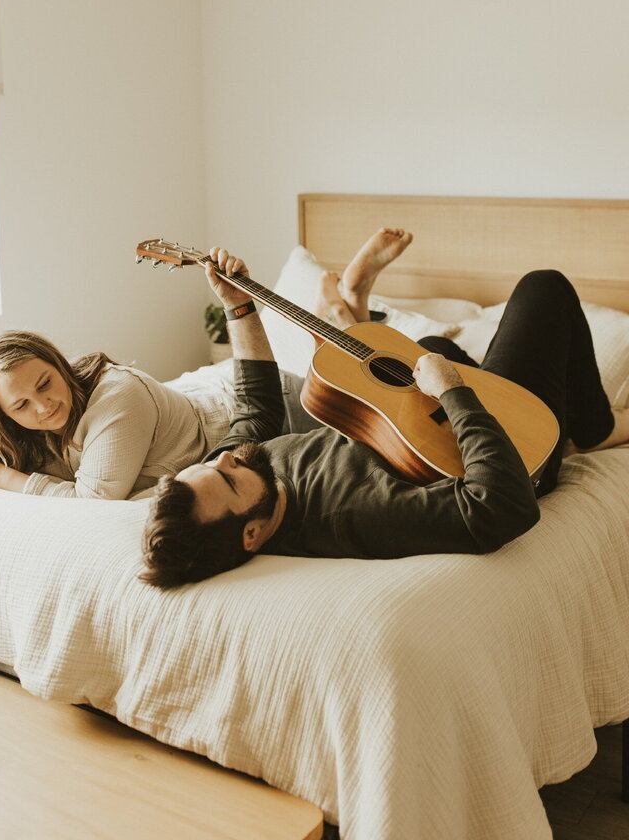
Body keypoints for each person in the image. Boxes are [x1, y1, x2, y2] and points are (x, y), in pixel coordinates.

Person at [140, 244, 629, 588]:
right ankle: (592, 429)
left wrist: (239, 307)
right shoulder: (354, 512)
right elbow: (503, 505)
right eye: (227, 480)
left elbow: (255, 409)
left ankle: (353, 315)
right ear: (251, 535)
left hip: (411, 431)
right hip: (511, 449)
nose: (229, 460)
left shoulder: (237, 479)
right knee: (544, 288)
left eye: (210, 463)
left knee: (432, 347)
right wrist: (454, 394)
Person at [0, 232, 414, 497]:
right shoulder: (17, 414)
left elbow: (94, 501)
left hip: (266, 409)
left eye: (46, 383)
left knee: (392, 392)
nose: (43, 406)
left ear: (59, 365)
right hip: (214, 399)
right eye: (20, 405)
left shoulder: (114, 397)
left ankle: (347, 309)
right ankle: (348, 305)